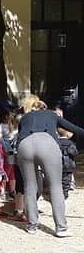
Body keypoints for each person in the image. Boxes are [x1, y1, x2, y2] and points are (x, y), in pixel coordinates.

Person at [16, 94, 84, 237]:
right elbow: (73, 128)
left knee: (29, 186)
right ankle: (61, 228)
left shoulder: (24, 118)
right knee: (55, 186)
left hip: (24, 145)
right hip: (47, 143)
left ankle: (32, 225)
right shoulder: (51, 115)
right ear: (44, 107)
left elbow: (19, 134)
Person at [59, 128, 78, 199]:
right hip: (68, 165)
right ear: (67, 135)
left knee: (58, 179)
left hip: (58, 164)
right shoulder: (70, 143)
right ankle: (65, 193)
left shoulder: (56, 142)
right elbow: (74, 153)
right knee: (66, 180)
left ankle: (58, 192)